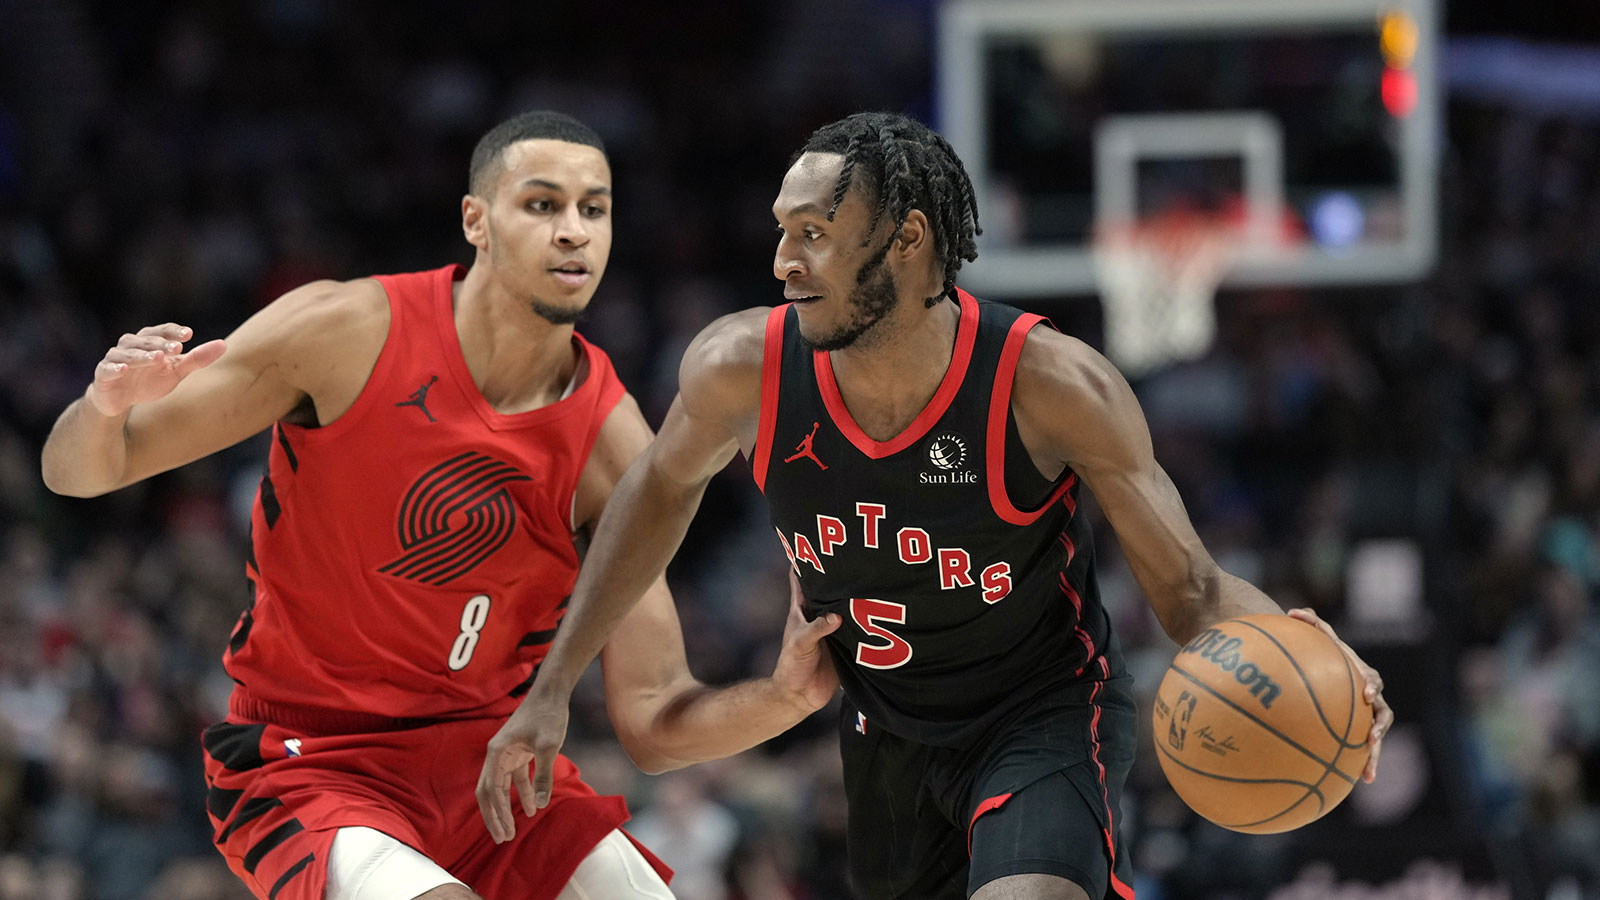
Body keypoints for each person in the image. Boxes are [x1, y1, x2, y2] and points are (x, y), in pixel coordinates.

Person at [483, 112, 1396, 900]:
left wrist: (1311, 652)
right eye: (781, 230)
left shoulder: (1049, 382)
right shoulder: (740, 370)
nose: (782, 261)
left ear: (907, 239)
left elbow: (1192, 591)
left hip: (1041, 711)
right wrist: (552, 686)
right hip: (884, 730)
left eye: (812, 233)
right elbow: (650, 506)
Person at [39, 111, 841, 900]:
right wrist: (104, 408)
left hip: (497, 771)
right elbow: (78, 472)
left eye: (594, 209)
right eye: (542, 204)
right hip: (310, 761)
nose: (574, 232)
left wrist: (780, 699)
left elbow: (652, 718)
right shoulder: (342, 333)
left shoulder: (613, 442)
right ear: (477, 221)